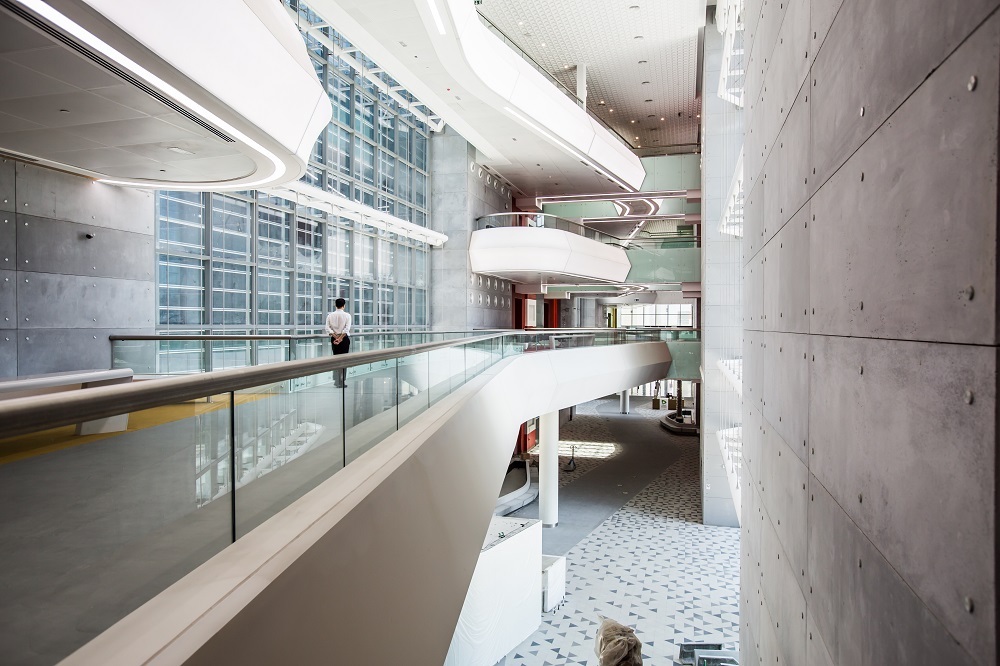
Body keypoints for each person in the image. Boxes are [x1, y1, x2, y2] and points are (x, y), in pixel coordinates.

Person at [325, 298, 352, 388]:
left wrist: (336, 337)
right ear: (344, 305)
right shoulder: (347, 315)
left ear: (335, 305)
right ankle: (342, 381)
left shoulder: (330, 315)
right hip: (344, 339)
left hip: (334, 339)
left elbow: (327, 328)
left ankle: (336, 380)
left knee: (336, 359)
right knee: (344, 360)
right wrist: (340, 338)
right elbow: (347, 329)